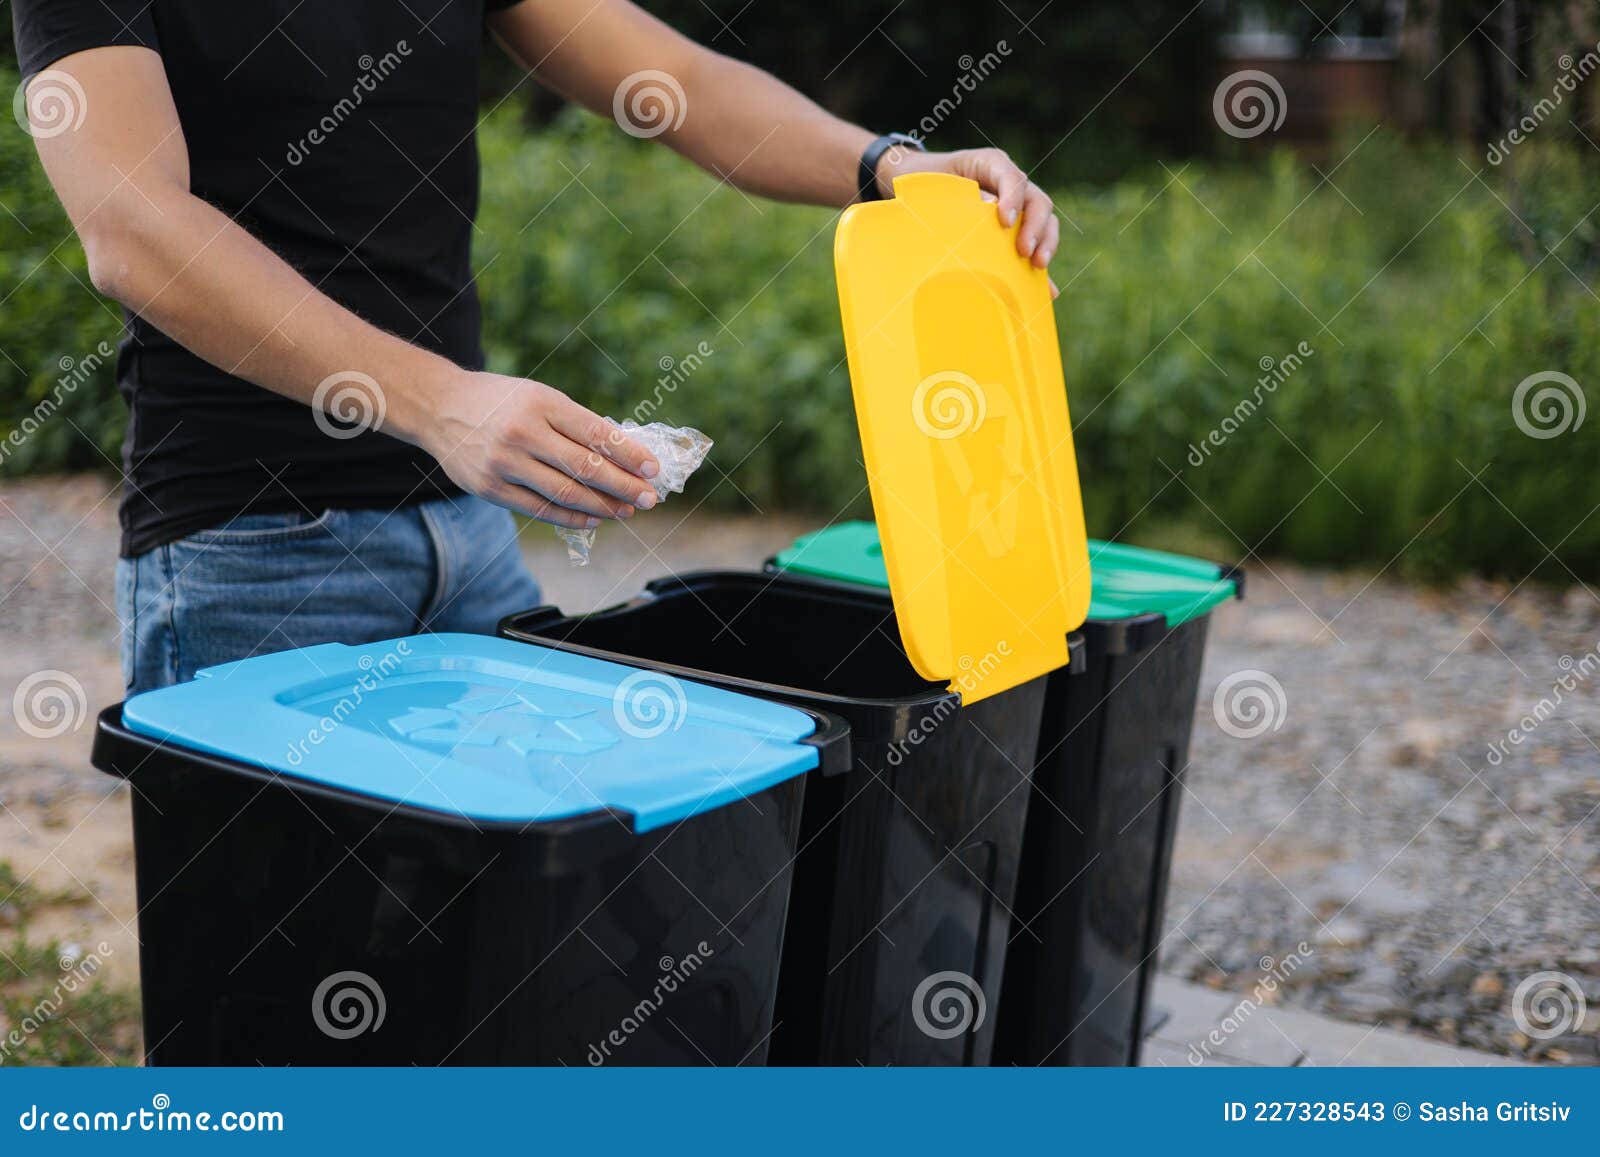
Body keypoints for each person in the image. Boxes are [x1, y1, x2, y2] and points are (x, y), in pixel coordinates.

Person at [13, 0, 1061, 693]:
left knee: (510, 981)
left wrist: (888, 165)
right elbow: (133, 228)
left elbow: (666, 75)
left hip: (468, 539)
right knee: (285, 1003)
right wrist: (442, 404)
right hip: (252, 554)